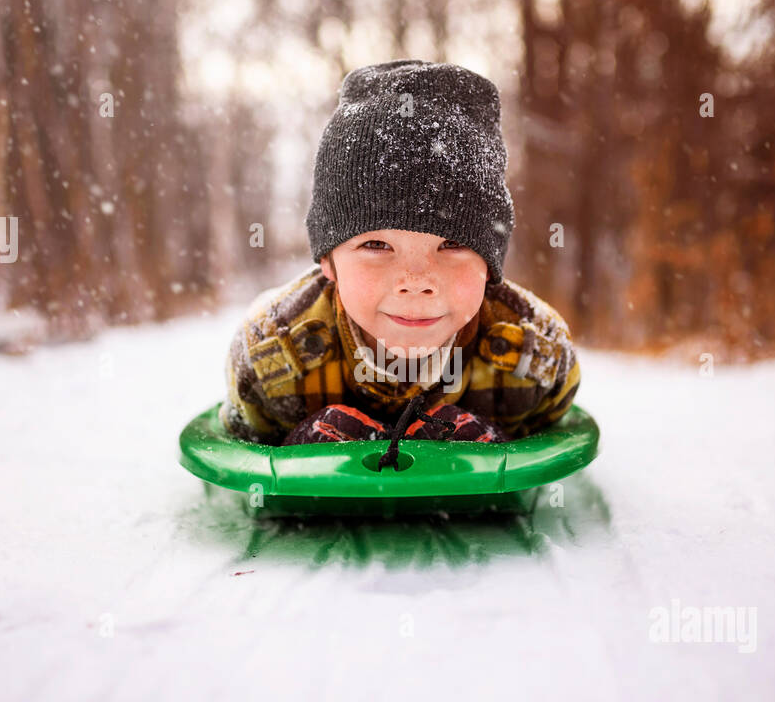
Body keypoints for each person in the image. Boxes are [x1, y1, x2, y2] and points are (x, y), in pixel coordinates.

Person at [220, 60, 580, 467]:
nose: (415, 281)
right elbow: (236, 457)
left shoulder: (537, 360)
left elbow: (556, 445)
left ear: (491, 263)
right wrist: (289, 454)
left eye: (453, 243)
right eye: (376, 244)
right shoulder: (270, 362)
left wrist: (506, 451)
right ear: (328, 261)